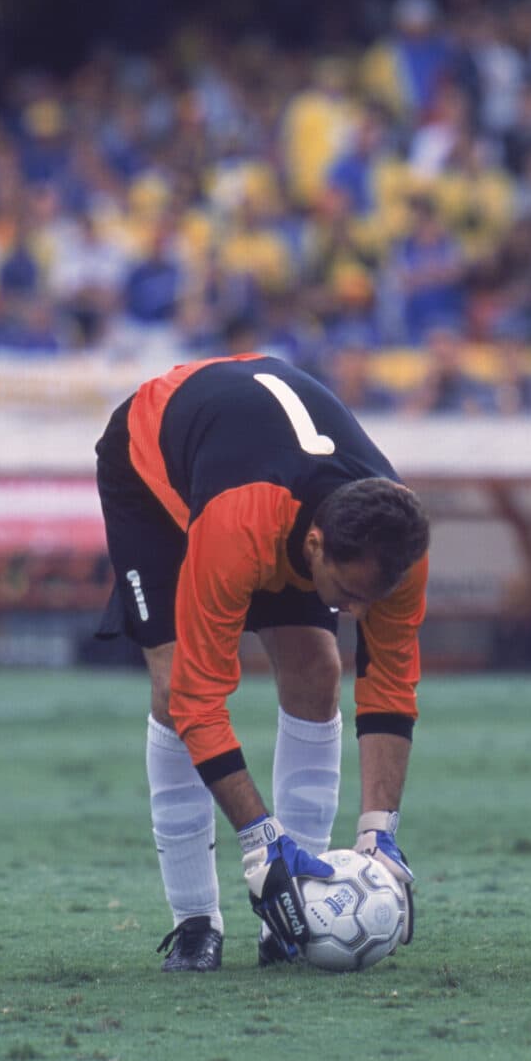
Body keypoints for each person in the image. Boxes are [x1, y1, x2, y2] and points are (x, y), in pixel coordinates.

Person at [94, 354, 429, 971]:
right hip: (155, 471)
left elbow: (390, 688)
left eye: (369, 599)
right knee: (173, 687)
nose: (357, 611)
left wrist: (380, 829)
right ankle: (196, 922)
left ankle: (299, 910)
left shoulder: (399, 546)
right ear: (314, 547)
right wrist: (258, 842)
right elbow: (198, 701)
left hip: (269, 477)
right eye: (348, 595)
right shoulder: (239, 528)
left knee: (318, 669)